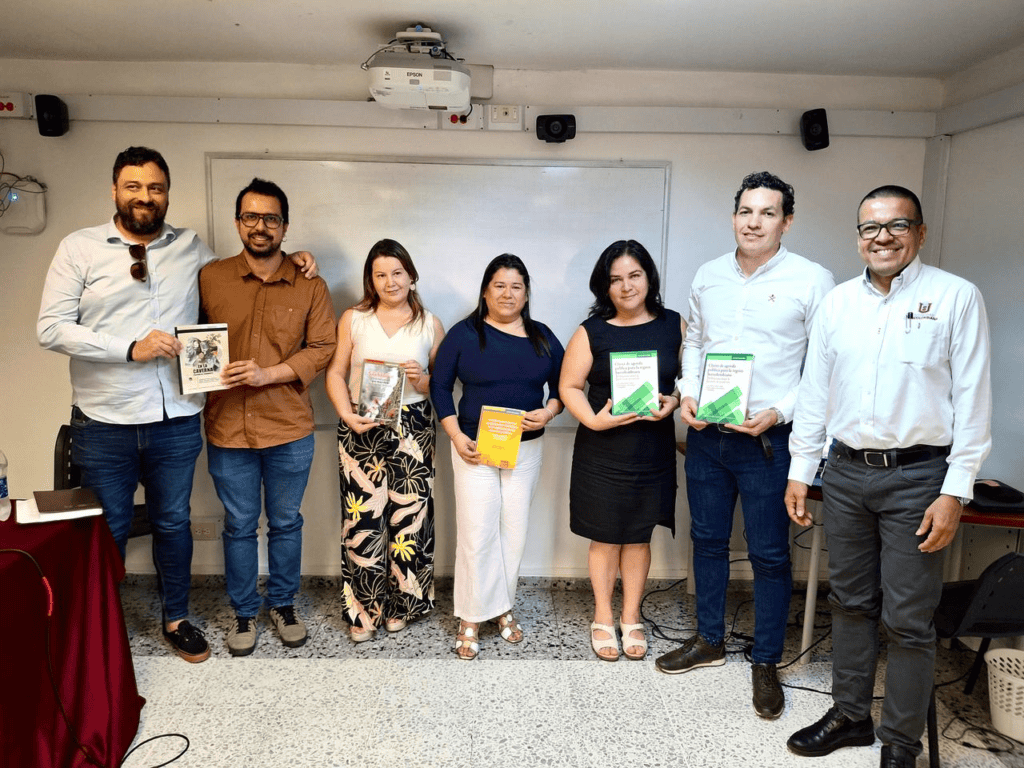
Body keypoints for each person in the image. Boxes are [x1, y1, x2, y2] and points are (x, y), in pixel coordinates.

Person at [37, 146, 317, 663]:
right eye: (134, 187)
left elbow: (250, 273)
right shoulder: (79, 248)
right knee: (108, 530)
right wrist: (128, 347)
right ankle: (98, 634)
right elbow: (50, 328)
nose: (145, 196)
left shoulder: (193, 250)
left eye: (156, 188)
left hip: (177, 419)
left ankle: (176, 619)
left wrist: (295, 260)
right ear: (115, 190)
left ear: (168, 193)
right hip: (106, 421)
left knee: (172, 524)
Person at [785, 186, 991, 768]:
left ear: (920, 234)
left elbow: (975, 402)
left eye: (897, 225)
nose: (882, 236)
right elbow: (815, 394)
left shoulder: (955, 297)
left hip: (919, 479)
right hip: (846, 473)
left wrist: (956, 490)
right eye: (870, 227)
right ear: (858, 237)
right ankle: (851, 716)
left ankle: (902, 743)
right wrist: (802, 470)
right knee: (849, 603)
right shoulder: (838, 304)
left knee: (907, 618)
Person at [655, 172, 834, 718]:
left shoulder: (813, 280)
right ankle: (709, 640)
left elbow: (824, 369)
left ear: (787, 220)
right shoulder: (710, 275)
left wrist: (780, 412)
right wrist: (686, 391)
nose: (754, 222)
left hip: (768, 442)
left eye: (767, 212)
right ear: (734, 216)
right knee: (707, 541)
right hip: (708, 436)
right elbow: (698, 343)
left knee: (769, 554)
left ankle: (766, 658)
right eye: (746, 212)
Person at [199, 178, 336, 656]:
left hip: (289, 428)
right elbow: (193, 343)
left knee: (285, 522)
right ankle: (241, 611)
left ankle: (282, 604)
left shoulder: (310, 283)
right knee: (237, 525)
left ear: (285, 227)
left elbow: (322, 348)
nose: (260, 227)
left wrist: (268, 374)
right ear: (238, 222)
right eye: (251, 217)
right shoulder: (210, 277)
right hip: (227, 427)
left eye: (271, 219)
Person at [430, 254, 564, 660]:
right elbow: (439, 387)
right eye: (499, 285)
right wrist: (454, 435)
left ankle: (502, 607)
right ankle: (471, 616)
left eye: (516, 287)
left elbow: (562, 386)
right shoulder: (464, 334)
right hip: (475, 449)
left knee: (514, 533)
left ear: (526, 294)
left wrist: (551, 410)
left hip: (526, 450)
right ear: (486, 291)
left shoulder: (542, 336)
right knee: (476, 533)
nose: (507, 294)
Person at [561, 240, 682, 662]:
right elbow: (569, 387)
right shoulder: (591, 331)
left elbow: (691, 378)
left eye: (634, 275)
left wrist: (677, 400)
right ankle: (601, 615)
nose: (626, 286)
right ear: (605, 286)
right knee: (606, 535)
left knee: (638, 535)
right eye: (616, 279)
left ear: (648, 277)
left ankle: (631, 617)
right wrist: (593, 419)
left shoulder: (673, 325)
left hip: (653, 448)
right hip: (603, 448)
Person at [325, 239, 445, 643]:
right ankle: (364, 610)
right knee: (363, 521)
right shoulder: (353, 319)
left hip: (413, 427)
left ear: (411, 276)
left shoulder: (430, 323)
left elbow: (441, 387)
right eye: (380, 275)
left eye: (397, 272)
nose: (390, 281)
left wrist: (422, 381)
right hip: (362, 424)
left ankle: (403, 606)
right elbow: (335, 374)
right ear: (370, 281)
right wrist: (345, 413)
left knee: (410, 518)